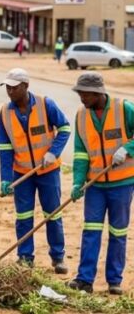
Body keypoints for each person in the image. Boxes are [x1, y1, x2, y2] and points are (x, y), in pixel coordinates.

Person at [0, 68, 71, 273]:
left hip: (48, 171)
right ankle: (25, 257)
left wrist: (53, 153)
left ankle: (58, 257)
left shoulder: (46, 104)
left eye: (14, 87)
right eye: (7, 87)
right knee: (23, 216)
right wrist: (5, 179)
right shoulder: (4, 113)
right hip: (22, 173)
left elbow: (65, 128)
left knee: (52, 214)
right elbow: (4, 149)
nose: (10, 91)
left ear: (26, 86)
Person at [67, 73, 134, 294]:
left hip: (122, 183)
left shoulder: (124, 108)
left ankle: (114, 280)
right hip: (94, 185)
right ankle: (85, 280)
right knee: (91, 230)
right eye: (80, 93)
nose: (81, 98)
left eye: (85, 94)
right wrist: (77, 183)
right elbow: (80, 153)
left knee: (118, 232)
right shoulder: (81, 115)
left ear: (98, 93)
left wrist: (127, 149)